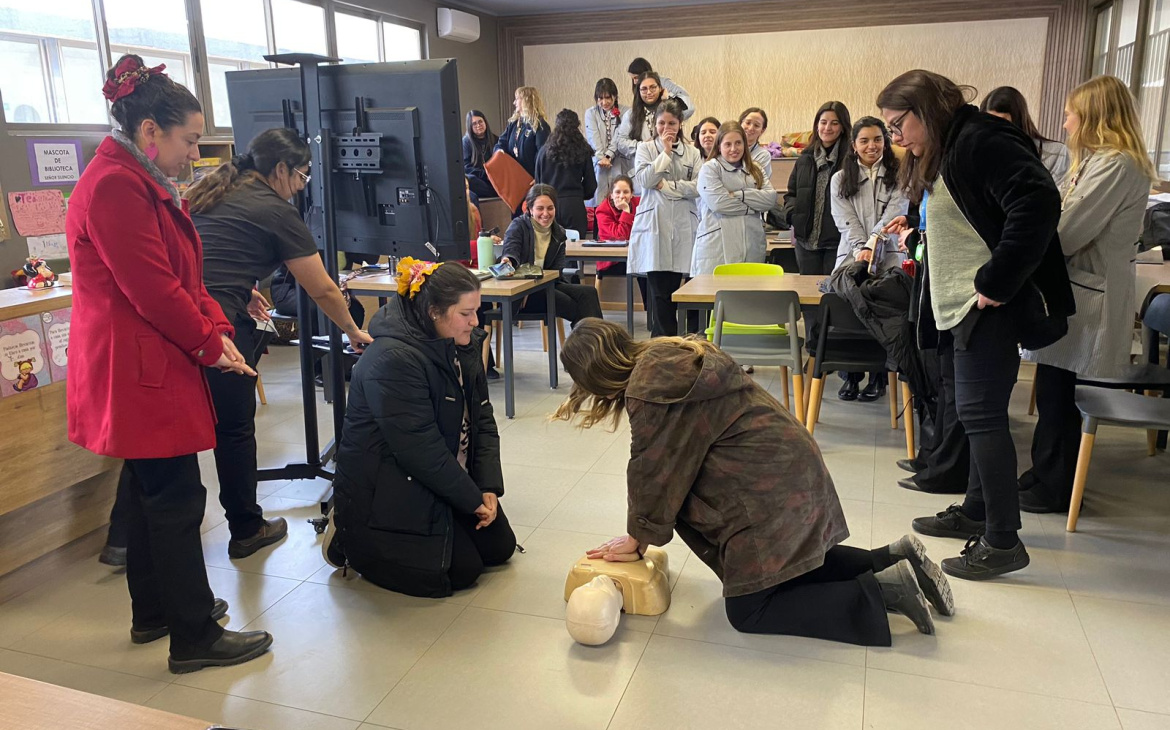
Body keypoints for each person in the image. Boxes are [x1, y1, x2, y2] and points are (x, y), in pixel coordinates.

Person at [552, 319, 955, 646]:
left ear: (595, 376)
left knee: (750, 609)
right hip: (791, 468)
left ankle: (882, 593)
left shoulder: (648, 388)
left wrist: (636, 537)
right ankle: (892, 559)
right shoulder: (669, 353)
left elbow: (653, 470)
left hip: (767, 491)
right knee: (791, 569)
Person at [66, 53, 272, 673]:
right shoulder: (113, 186)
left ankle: (156, 611)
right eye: (188, 140)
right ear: (150, 132)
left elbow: (184, 276)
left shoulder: (140, 181)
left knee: (155, 490)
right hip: (138, 367)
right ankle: (192, 636)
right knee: (177, 497)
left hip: (153, 358)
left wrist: (218, 323)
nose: (195, 153)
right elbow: (153, 290)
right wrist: (211, 343)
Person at [877, 69, 1073, 580]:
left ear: (927, 110)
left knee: (983, 417)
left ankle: (1003, 541)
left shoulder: (981, 137)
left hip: (987, 306)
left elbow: (1037, 203)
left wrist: (997, 280)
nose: (896, 138)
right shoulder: (947, 147)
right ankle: (977, 509)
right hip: (958, 306)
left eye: (899, 125)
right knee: (971, 413)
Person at [327, 260, 516, 597]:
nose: (475, 322)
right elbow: (419, 450)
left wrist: (487, 487)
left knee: (500, 547)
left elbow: (483, 419)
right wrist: (471, 500)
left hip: (432, 472)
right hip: (391, 483)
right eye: (466, 313)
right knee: (462, 571)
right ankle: (346, 536)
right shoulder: (392, 360)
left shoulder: (462, 341)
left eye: (477, 311)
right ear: (433, 312)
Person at [1017, 75, 1156, 513]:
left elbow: (1069, 229)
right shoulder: (1096, 160)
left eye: (1071, 112)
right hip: (1077, 288)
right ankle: (1043, 472)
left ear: (1094, 115)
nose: (1065, 120)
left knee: (1064, 394)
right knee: (1054, 386)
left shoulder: (1117, 164)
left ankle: (1054, 486)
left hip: (1090, 293)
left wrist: (1026, 240)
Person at [829, 116, 909, 402]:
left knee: (883, 314)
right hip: (852, 253)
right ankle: (849, 376)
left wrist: (874, 242)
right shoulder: (840, 178)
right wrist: (861, 246)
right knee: (851, 310)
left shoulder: (900, 174)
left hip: (888, 254)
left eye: (877, 139)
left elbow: (894, 213)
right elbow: (844, 219)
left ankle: (878, 376)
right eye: (864, 140)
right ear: (854, 145)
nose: (871, 146)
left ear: (885, 143)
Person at [628, 98, 702, 337]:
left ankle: (692, 344)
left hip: (685, 225)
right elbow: (645, 181)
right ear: (655, 124)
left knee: (692, 291)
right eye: (661, 123)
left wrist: (668, 187)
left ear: (680, 124)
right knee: (661, 296)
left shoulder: (693, 152)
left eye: (672, 123)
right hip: (655, 226)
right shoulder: (645, 149)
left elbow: (699, 187)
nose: (666, 128)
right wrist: (666, 153)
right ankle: (663, 348)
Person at [500, 184, 604, 326]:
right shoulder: (518, 226)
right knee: (579, 309)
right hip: (524, 292)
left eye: (550, 208)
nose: (546, 213)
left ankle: (594, 345)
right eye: (540, 208)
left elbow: (557, 271)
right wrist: (508, 261)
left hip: (546, 285)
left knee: (589, 293)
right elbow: (511, 251)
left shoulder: (559, 232)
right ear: (530, 209)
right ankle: (592, 345)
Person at [691, 121, 779, 276]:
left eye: (738, 143)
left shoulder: (755, 169)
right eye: (728, 144)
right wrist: (753, 207)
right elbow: (719, 204)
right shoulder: (710, 169)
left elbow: (770, 199)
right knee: (716, 297)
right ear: (719, 146)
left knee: (748, 296)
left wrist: (739, 194)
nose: (734, 149)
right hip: (717, 248)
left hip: (751, 244)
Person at [781, 101, 852, 275]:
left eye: (834, 123)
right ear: (817, 125)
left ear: (843, 127)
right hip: (806, 242)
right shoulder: (805, 158)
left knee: (833, 295)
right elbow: (791, 194)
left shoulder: (850, 160)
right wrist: (793, 216)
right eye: (823, 122)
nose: (827, 127)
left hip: (837, 242)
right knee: (808, 294)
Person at [979, 86, 1070, 184]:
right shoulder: (980, 154)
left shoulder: (1057, 153)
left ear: (1018, 119)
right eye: (989, 121)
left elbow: (1060, 196)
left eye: (1002, 121)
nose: (995, 128)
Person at [535, 108, 598, 235]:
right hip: (574, 206)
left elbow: (538, 184)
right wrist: (579, 194)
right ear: (577, 126)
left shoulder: (543, 151)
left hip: (550, 205)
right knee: (577, 249)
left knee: (550, 247)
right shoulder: (583, 150)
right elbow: (591, 185)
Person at [593, 175, 648, 306]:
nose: (622, 196)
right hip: (613, 260)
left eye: (626, 192)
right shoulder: (603, 210)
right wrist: (626, 211)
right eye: (617, 192)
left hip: (637, 254)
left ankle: (651, 312)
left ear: (632, 194)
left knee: (651, 268)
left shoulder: (639, 203)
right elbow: (620, 236)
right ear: (611, 195)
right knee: (644, 266)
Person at [614, 72, 675, 190]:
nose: (649, 92)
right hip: (641, 174)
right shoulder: (631, 115)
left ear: (660, 88)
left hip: (668, 171)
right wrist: (642, 146)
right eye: (644, 89)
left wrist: (667, 100)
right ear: (639, 91)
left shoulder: (670, 112)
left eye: (653, 87)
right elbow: (620, 142)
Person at [584, 78, 629, 208]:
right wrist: (602, 158)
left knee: (620, 202)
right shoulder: (591, 113)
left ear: (615, 96)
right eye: (600, 98)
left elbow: (619, 136)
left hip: (618, 161)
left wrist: (609, 156)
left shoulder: (626, 112)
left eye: (608, 97)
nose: (604, 102)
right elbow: (593, 137)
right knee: (600, 204)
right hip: (600, 163)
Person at [495, 86, 550, 177]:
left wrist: (539, 177)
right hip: (513, 177)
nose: (514, 102)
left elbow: (544, 155)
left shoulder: (540, 124)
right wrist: (499, 151)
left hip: (531, 179)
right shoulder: (513, 123)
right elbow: (501, 142)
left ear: (526, 101)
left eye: (517, 99)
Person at [626, 58, 693, 119]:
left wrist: (674, 119)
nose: (634, 82)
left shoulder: (665, 83)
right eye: (632, 79)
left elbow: (689, 107)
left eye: (636, 78)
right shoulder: (629, 114)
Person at [463, 109, 497, 200]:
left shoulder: (495, 140)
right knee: (470, 179)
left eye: (480, 122)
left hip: (494, 179)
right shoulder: (466, 142)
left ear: (485, 122)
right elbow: (466, 167)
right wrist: (484, 174)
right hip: (478, 179)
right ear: (470, 126)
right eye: (474, 124)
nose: (478, 125)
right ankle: (493, 193)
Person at [739, 107, 774, 175]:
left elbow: (756, 182)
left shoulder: (763, 155)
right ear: (740, 124)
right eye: (748, 123)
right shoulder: (728, 149)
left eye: (756, 125)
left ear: (762, 131)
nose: (751, 128)